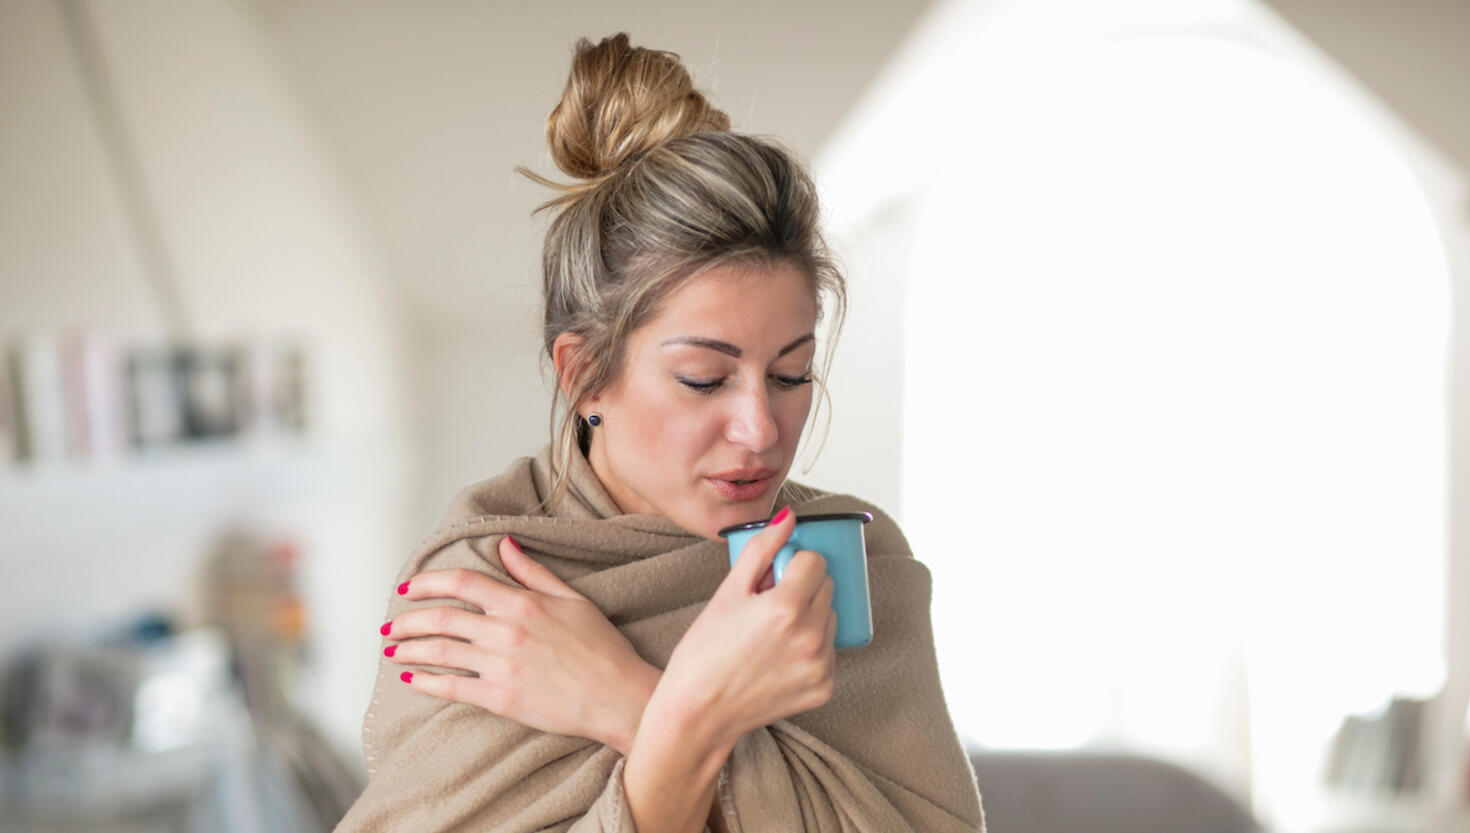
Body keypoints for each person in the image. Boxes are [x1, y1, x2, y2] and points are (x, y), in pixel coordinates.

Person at [333, 33, 985, 833]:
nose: (759, 427)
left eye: (790, 374)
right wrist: (688, 724)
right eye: (704, 379)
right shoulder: (480, 595)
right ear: (583, 376)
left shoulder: (847, 564)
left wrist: (631, 700)